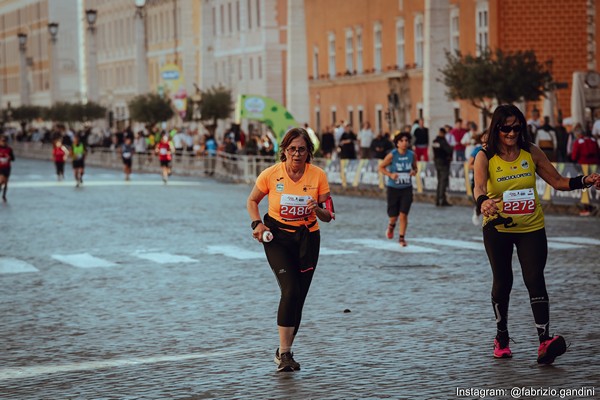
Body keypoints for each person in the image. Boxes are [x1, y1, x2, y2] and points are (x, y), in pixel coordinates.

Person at [473, 104, 600, 364]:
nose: (511, 133)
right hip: (497, 227)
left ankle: (545, 341)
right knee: (503, 281)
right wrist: (483, 201)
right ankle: (502, 337)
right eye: (506, 128)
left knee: (535, 279)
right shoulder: (484, 156)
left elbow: (558, 182)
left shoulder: (530, 152)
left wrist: (584, 181)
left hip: (531, 227)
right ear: (496, 128)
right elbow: (477, 187)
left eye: (516, 128)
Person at [246, 127, 333, 372]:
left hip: (308, 239)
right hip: (277, 238)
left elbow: (328, 216)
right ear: (284, 151)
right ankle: (285, 354)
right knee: (290, 289)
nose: (296, 154)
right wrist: (257, 223)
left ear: (309, 153)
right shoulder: (271, 174)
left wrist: (316, 209)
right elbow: (252, 200)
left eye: (301, 149)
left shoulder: (318, 176)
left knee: (299, 298)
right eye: (292, 149)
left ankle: (284, 350)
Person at [379, 132, 417, 246]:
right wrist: (391, 175)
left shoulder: (411, 155)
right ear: (397, 143)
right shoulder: (392, 155)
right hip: (393, 188)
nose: (404, 143)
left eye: (406, 141)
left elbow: (415, 168)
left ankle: (402, 238)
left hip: (406, 187)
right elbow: (381, 167)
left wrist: (413, 172)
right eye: (402, 141)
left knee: (403, 214)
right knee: (393, 216)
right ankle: (391, 226)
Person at [432, 127, 453, 207]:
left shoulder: (435, 141)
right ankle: (441, 199)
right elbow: (448, 150)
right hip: (443, 162)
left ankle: (438, 199)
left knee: (439, 181)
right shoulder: (442, 141)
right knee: (443, 181)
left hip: (437, 162)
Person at [0, 135, 15, 202]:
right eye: (2, 141)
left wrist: (9, 157)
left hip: (7, 167)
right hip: (0, 167)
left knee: (5, 183)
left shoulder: (9, 149)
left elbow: (13, 158)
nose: (3, 142)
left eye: (5, 141)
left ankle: (4, 195)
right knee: (1, 180)